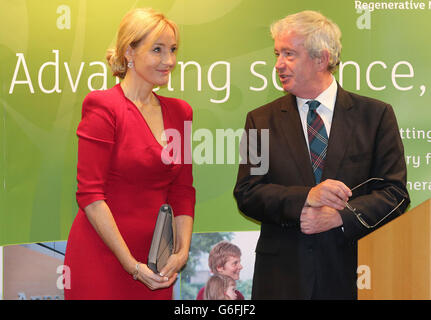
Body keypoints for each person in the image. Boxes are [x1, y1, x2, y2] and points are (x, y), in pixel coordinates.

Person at [234, 10, 409, 299]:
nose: (278, 64)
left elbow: (395, 194)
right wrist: (307, 196)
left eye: (289, 54)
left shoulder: (375, 116)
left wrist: (341, 217)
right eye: (277, 54)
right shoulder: (261, 120)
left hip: (354, 276)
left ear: (321, 58)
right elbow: (248, 192)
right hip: (282, 280)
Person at [64, 8, 195, 300]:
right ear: (129, 52)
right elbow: (90, 196)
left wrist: (181, 251)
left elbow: (182, 190)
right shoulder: (103, 106)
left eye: (173, 50)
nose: (170, 60)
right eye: (157, 50)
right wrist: (132, 266)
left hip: (156, 261)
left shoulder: (180, 113)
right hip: (103, 258)